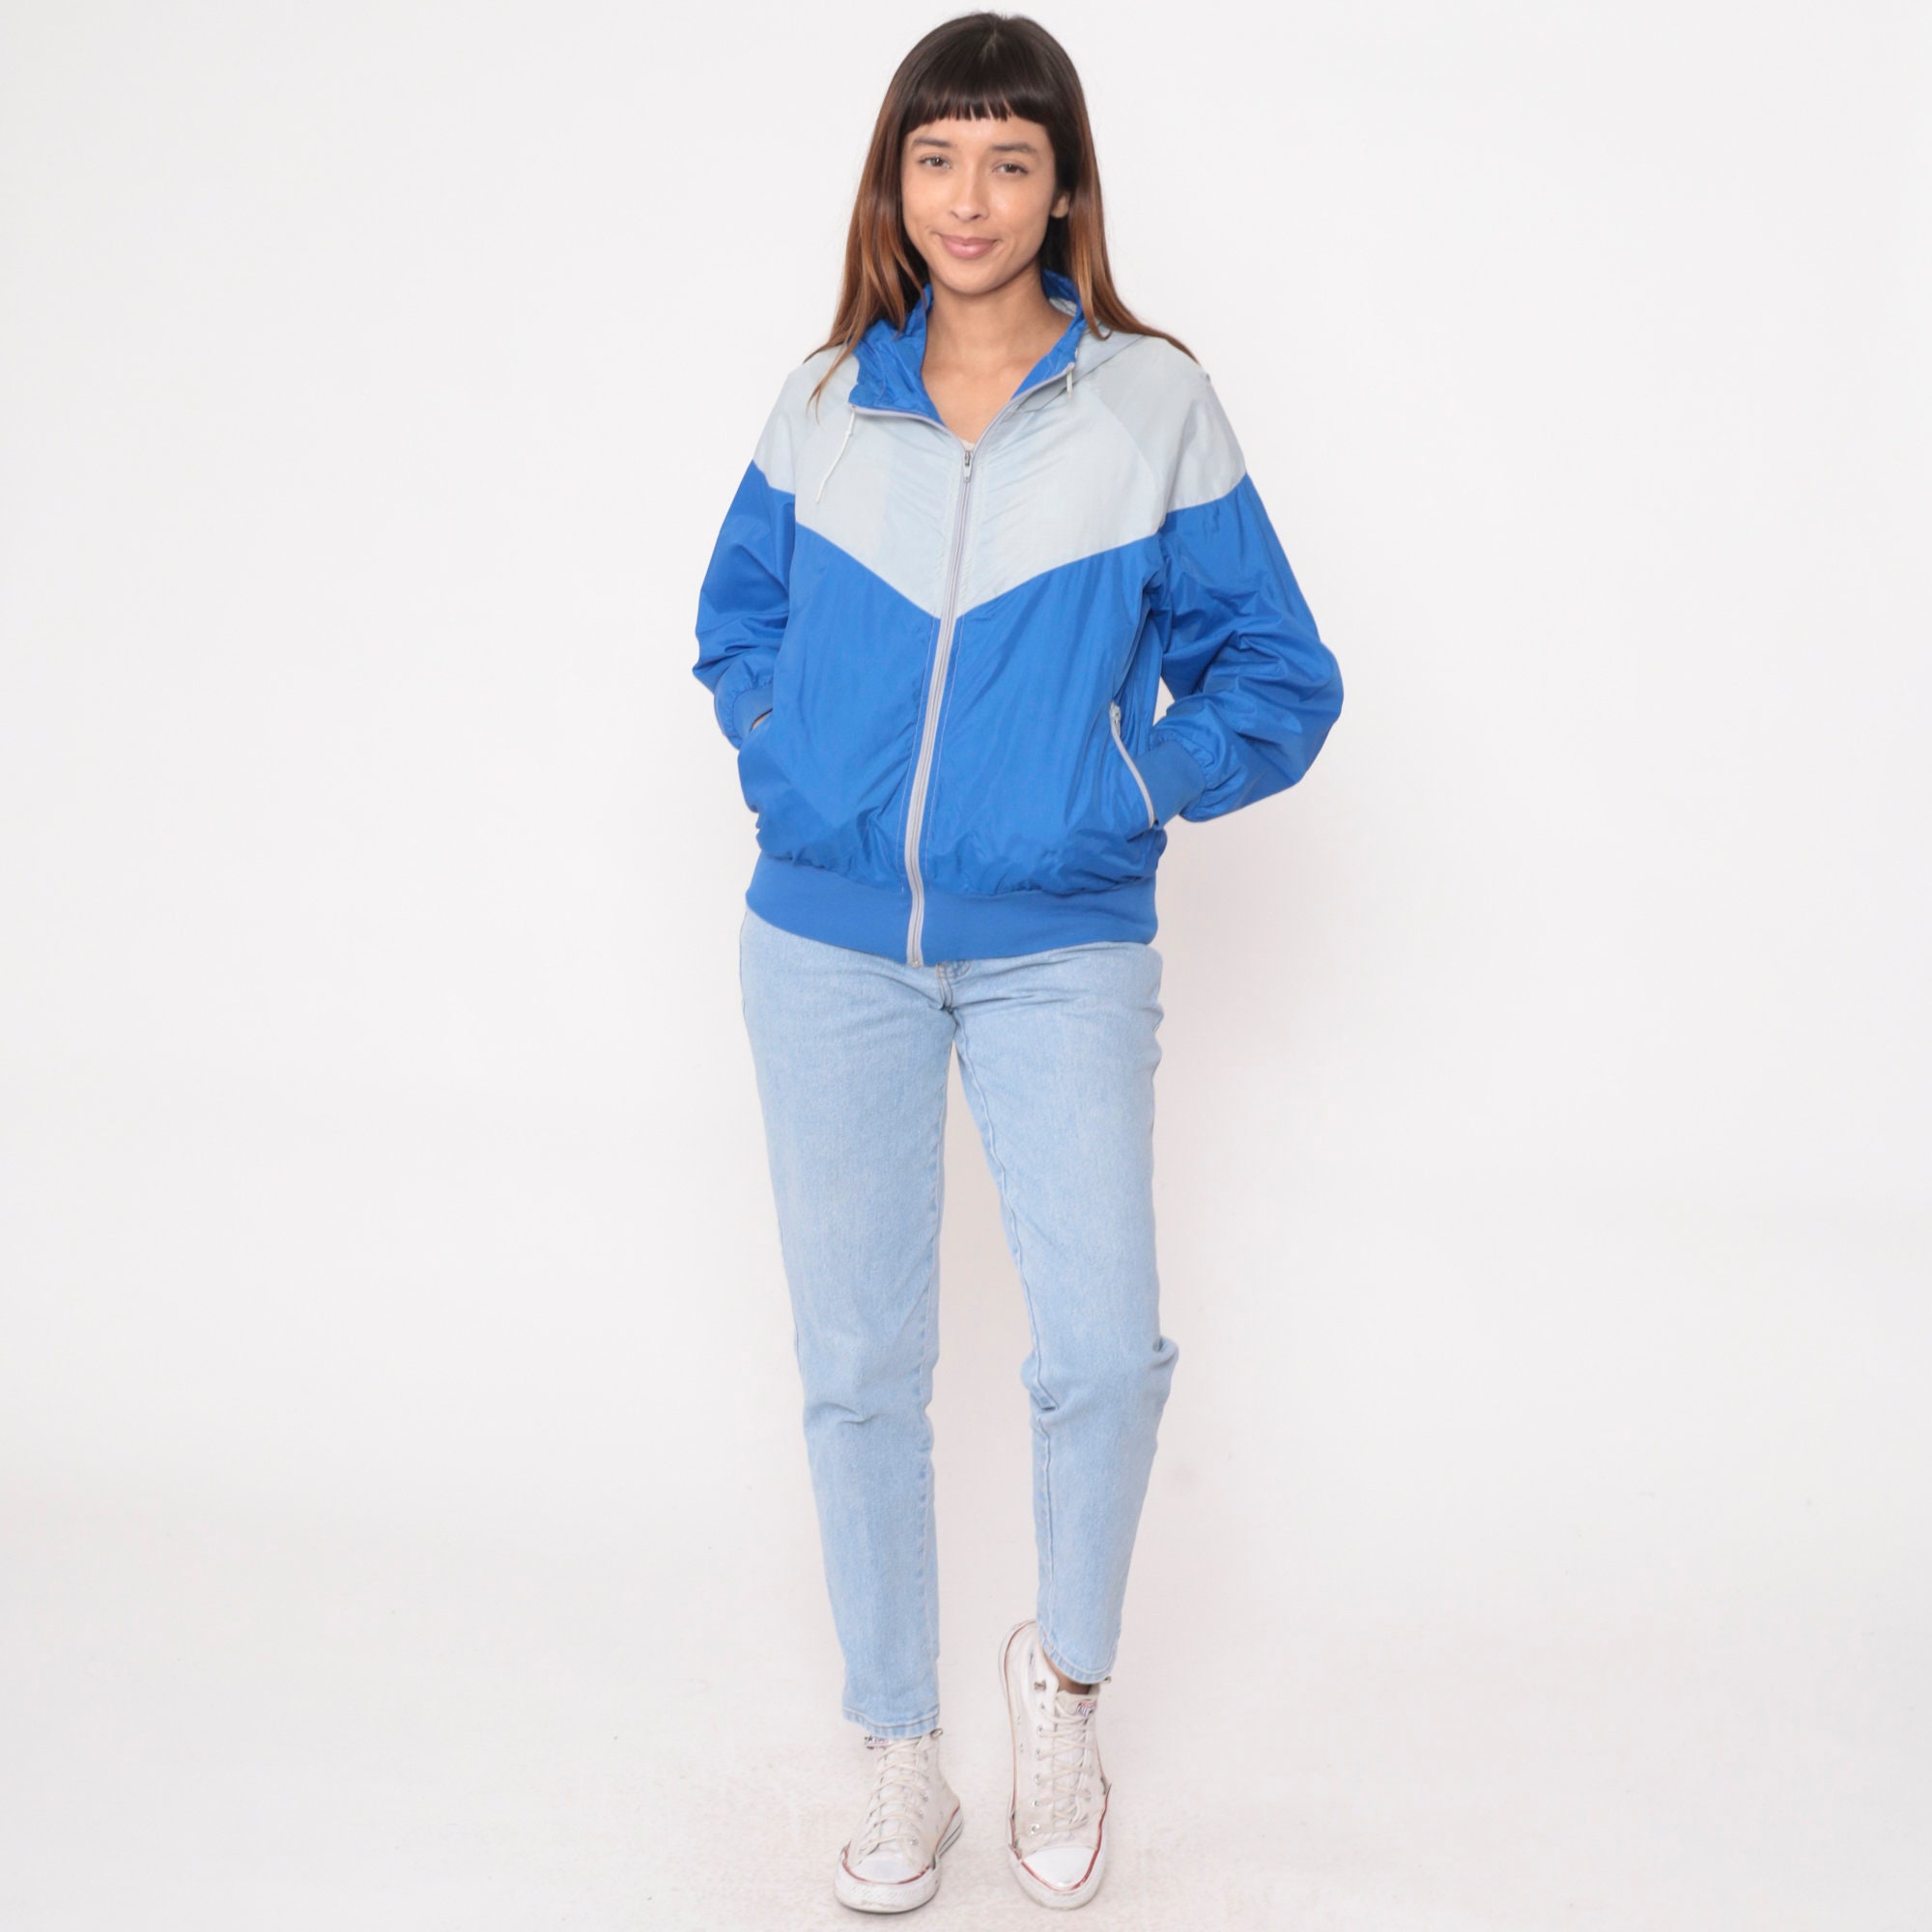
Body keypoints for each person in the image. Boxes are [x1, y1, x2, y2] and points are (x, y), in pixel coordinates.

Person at [692, 11, 1343, 1913]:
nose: (966, 197)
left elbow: (1280, 674)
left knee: (1101, 1352)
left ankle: (1059, 1687)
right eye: (935, 156)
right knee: (859, 1362)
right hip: (825, 948)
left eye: (1007, 159)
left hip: (1062, 946)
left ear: (1063, 189)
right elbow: (736, 623)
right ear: (891, 181)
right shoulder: (826, 401)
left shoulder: (1149, 405)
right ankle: (898, 1746)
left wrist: (1124, 783)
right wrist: (792, 755)